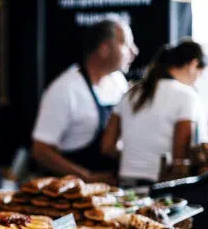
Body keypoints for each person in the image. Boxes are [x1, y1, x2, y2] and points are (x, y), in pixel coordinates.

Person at [31, 17, 138, 184]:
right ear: (104, 49)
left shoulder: (118, 81)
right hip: (74, 192)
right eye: (126, 44)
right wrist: (86, 177)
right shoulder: (65, 89)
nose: (134, 51)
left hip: (114, 188)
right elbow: (40, 151)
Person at [101, 40, 208, 186]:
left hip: (126, 183)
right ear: (193, 65)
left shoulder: (131, 93)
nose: (198, 80)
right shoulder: (187, 96)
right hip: (161, 187)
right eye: (200, 74)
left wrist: (135, 160)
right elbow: (180, 158)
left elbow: (107, 146)